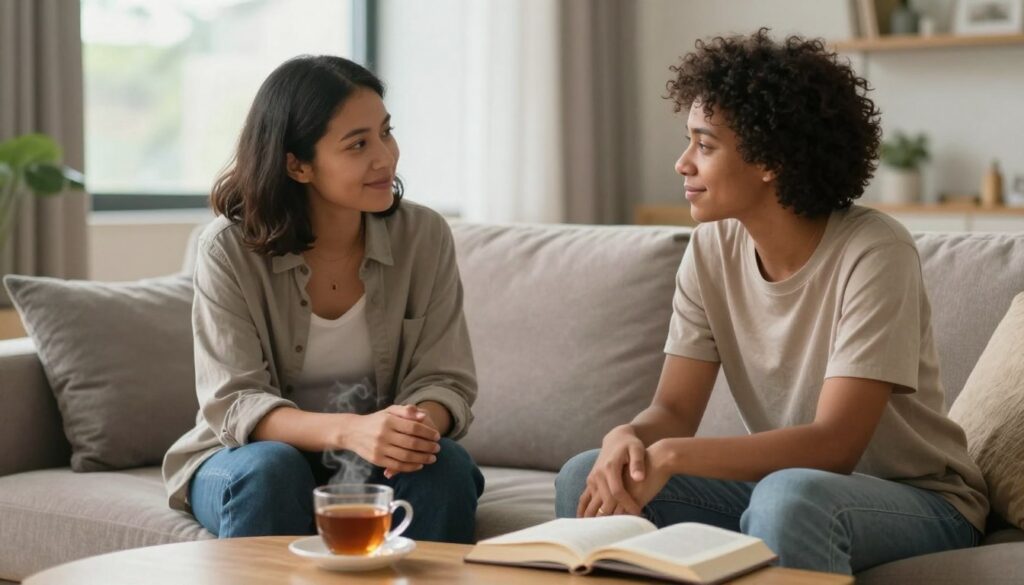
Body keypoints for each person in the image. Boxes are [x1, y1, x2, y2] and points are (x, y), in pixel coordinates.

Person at [555, 29, 987, 575]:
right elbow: (673, 412)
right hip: (783, 489)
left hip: (920, 502)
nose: (682, 163)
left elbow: (835, 445)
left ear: (770, 159)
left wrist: (672, 455)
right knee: (587, 474)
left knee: (790, 498)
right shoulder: (710, 249)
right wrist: (631, 437)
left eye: (704, 144)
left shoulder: (876, 251)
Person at [162, 55, 484, 543]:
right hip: (248, 459)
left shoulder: (424, 236)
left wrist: (410, 427)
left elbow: (445, 378)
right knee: (272, 471)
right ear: (297, 164)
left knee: (444, 465)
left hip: (374, 459)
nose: (385, 157)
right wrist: (349, 430)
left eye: (385, 132)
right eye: (358, 144)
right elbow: (235, 402)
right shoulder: (227, 249)